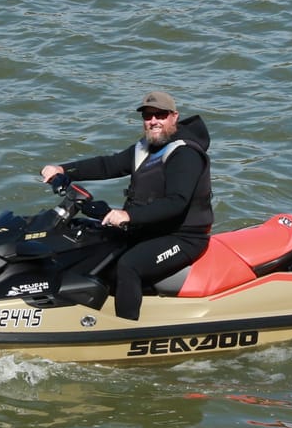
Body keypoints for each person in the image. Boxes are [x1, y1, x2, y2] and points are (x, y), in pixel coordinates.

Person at [40, 91, 213, 320]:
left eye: (160, 115)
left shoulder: (186, 154)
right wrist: (63, 169)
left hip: (183, 237)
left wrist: (128, 216)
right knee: (90, 246)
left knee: (129, 265)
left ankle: (127, 332)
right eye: (148, 116)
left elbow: (176, 203)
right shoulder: (145, 148)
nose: (153, 122)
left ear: (174, 116)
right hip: (147, 229)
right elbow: (107, 165)